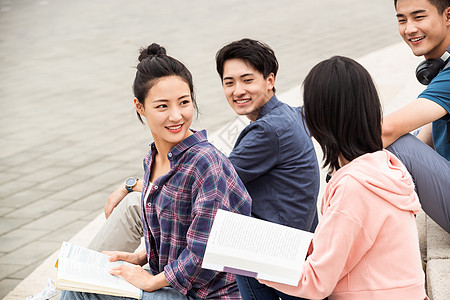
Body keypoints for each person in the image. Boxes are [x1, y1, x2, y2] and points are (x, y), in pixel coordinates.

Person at [60, 43, 252, 300]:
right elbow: (173, 233)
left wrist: (151, 281)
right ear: (140, 107)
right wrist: (138, 258)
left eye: (184, 102)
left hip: (207, 294)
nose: (176, 116)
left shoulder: (207, 163)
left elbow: (203, 253)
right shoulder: (154, 158)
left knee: (82, 294)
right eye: (162, 106)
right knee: (80, 282)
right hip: (176, 284)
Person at [258, 56, 427, 299]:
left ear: (320, 119)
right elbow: (346, 238)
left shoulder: (354, 187)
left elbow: (315, 282)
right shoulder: (383, 167)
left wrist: (253, 263)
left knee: (250, 270)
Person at [215, 38, 320, 300]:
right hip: (301, 241)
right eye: (229, 83)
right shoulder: (289, 114)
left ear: (269, 80)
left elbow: (215, 178)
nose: (237, 90)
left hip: (277, 252)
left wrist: (137, 184)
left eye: (247, 80)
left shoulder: (266, 130)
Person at [382, 0, 450, 233]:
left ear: (448, 16)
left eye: (419, 17)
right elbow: (430, 130)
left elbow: (387, 130)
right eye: (402, 19)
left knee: (394, 141)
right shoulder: (443, 65)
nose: (409, 28)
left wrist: (339, 167)